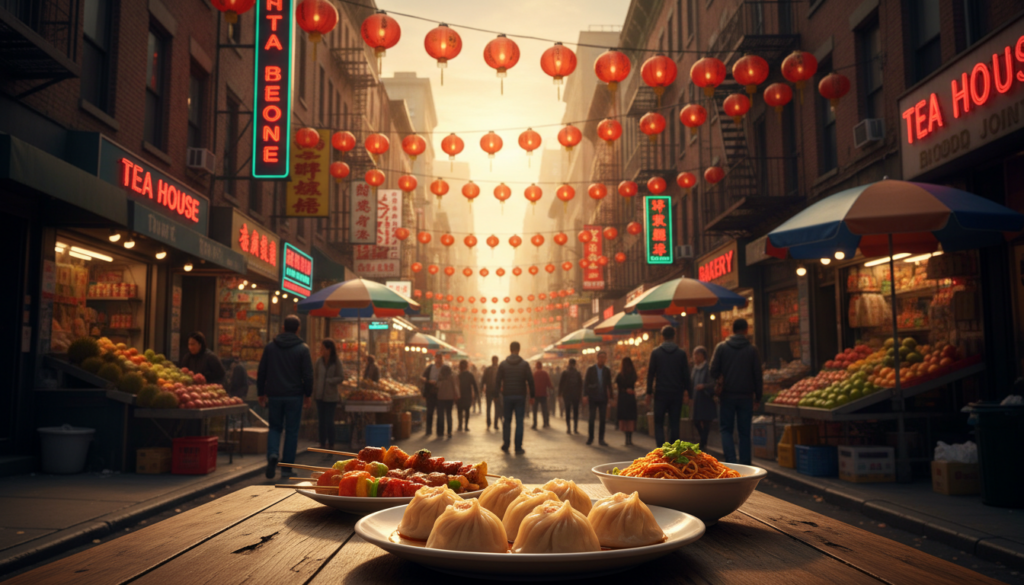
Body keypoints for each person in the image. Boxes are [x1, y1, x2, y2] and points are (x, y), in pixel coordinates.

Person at [257, 315, 313, 479]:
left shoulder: (270, 347)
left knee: (275, 428)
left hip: (274, 395)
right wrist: (308, 394)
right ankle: (287, 468)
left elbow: (262, 371)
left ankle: (273, 454)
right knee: (291, 431)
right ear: (298, 329)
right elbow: (308, 375)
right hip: (294, 396)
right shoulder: (303, 349)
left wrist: (261, 392)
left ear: (282, 328)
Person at [710, 318, 763, 465]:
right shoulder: (752, 350)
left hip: (726, 395)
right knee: (744, 432)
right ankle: (745, 464)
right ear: (746, 330)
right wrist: (758, 397)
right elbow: (758, 375)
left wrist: (721, 377)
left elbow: (712, 370)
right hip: (746, 396)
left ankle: (731, 461)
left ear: (732, 330)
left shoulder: (721, 347)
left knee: (726, 430)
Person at [645, 326, 692, 448]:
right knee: (674, 423)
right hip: (676, 393)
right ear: (674, 336)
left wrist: (649, 392)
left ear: (662, 337)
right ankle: (673, 450)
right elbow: (686, 375)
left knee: (659, 423)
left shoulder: (656, 353)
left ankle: (661, 449)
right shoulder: (681, 354)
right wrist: (689, 393)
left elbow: (651, 374)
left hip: (660, 393)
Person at [495, 341, 535, 454]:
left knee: (507, 421)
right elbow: (531, 381)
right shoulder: (525, 364)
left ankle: (506, 444)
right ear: (519, 349)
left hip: (507, 396)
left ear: (510, 349)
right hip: (520, 396)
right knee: (519, 422)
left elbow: (497, 380)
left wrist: (496, 395)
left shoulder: (503, 364)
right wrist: (532, 396)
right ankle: (518, 447)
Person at [313, 340, 344, 451]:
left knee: (329, 421)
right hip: (319, 395)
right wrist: (314, 391)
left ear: (329, 349)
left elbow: (341, 377)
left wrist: (329, 381)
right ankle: (322, 442)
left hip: (331, 396)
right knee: (321, 420)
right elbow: (315, 376)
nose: (321, 350)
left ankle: (331, 443)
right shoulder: (319, 361)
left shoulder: (336, 362)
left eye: (323, 348)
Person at [583, 351, 613, 446]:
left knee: (602, 419)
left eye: (604, 357)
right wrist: (585, 395)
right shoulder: (591, 369)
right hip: (593, 397)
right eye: (601, 357)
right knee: (591, 418)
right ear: (597, 358)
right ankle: (590, 438)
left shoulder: (606, 370)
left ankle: (601, 439)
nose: (602, 359)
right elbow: (586, 383)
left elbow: (609, 384)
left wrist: (611, 397)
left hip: (603, 398)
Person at [690, 346, 715, 451]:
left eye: (697, 355)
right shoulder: (695, 369)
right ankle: (703, 440)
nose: (695, 358)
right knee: (696, 420)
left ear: (702, 356)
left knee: (706, 421)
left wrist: (704, 386)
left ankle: (703, 442)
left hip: (706, 398)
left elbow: (713, 383)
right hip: (697, 398)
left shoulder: (708, 368)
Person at [616, 357, 639, 446]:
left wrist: (624, 390)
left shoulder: (620, 375)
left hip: (623, 398)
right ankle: (630, 437)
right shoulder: (633, 374)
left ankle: (626, 438)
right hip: (630, 397)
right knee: (630, 418)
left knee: (625, 418)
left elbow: (618, 387)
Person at [421, 354, 444, 436]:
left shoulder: (444, 368)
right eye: (436, 358)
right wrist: (427, 380)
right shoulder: (430, 367)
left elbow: (447, 379)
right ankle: (428, 430)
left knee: (440, 413)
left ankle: (440, 431)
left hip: (440, 393)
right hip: (430, 393)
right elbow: (423, 377)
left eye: (439, 359)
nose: (438, 360)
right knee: (430, 412)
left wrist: (438, 383)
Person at [559, 359, 583, 434]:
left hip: (567, 394)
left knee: (568, 411)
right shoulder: (578, 373)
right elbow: (580, 385)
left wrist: (559, 394)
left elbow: (561, 384)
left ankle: (568, 428)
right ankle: (575, 428)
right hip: (575, 395)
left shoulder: (565, 372)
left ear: (569, 363)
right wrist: (580, 395)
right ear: (575, 364)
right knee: (576, 411)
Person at [435, 364, 459, 438]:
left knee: (440, 415)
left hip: (441, 397)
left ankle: (440, 432)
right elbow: (455, 386)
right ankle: (449, 431)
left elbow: (437, 386)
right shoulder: (452, 377)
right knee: (449, 414)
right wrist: (457, 395)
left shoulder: (440, 377)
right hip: (449, 398)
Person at [457, 360, 477, 432]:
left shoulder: (458, 375)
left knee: (459, 411)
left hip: (459, 395)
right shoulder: (470, 375)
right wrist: (476, 394)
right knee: (467, 411)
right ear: (467, 366)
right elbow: (474, 385)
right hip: (467, 395)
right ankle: (466, 426)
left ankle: (460, 426)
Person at [482, 356, 501, 430]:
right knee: (496, 408)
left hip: (490, 391)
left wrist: (482, 387)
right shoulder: (499, 369)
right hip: (496, 391)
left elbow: (483, 379)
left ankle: (489, 423)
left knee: (489, 408)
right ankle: (495, 424)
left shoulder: (488, 369)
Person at [531, 362, 552, 429]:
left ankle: (535, 424)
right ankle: (545, 422)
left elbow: (531, 384)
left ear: (536, 367)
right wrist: (552, 388)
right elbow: (549, 383)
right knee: (544, 409)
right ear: (541, 366)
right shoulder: (545, 373)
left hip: (535, 395)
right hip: (543, 394)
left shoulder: (534, 374)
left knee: (534, 410)